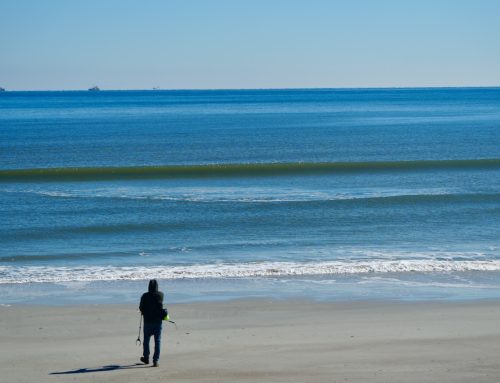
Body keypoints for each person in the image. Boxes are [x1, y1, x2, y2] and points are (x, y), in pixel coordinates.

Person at [139, 279, 164, 367]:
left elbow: (141, 308)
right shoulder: (160, 295)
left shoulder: (144, 296)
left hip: (147, 321)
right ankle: (155, 360)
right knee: (157, 341)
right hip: (158, 322)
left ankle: (146, 358)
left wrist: (144, 310)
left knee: (146, 341)